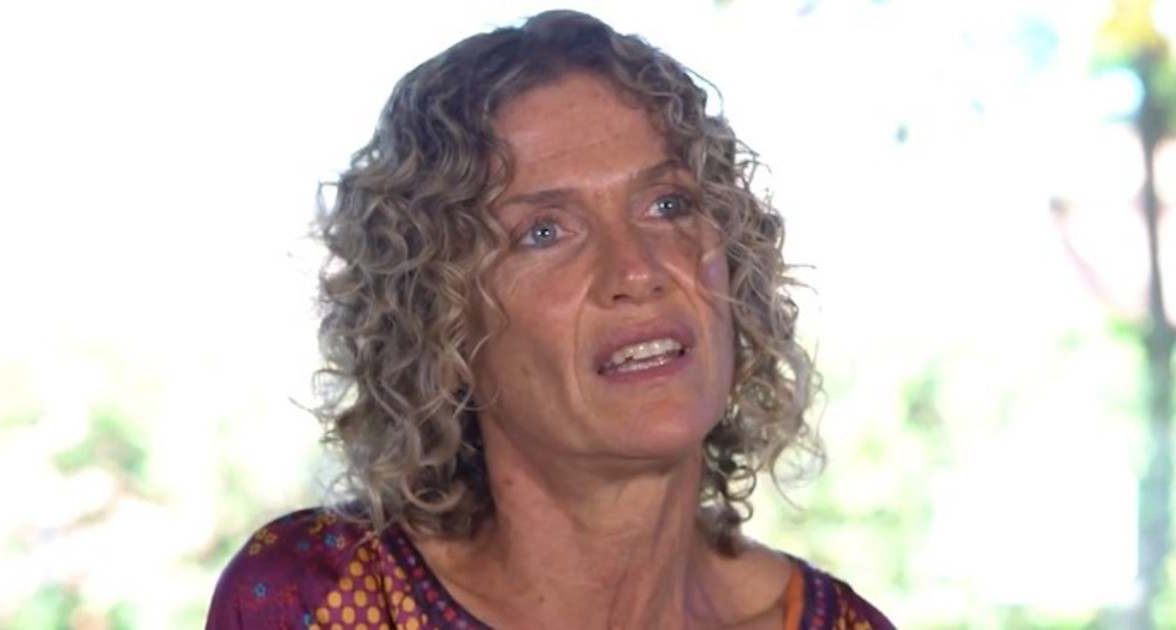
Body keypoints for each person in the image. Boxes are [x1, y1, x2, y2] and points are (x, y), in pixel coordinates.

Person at [208, 10, 894, 629]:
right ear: (441, 324)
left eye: (667, 205)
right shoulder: (321, 599)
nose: (638, 270)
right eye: (543, 232)